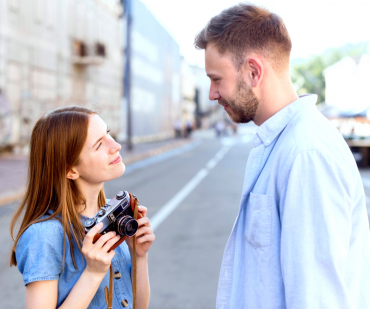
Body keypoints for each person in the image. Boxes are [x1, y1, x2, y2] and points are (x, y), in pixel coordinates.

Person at [194, 4, 370, 309]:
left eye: (216, 79)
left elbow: (316, 299)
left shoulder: (306, 154)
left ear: (253, 71)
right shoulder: (285, 143)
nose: (211, 94)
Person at [9, 106, 155, 309]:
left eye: (108, 134)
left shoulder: (111, 220)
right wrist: (93, 273)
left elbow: (137, 306)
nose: (116, 146)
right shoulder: (45, 235)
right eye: (98, 145)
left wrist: (139, 255)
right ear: (70, 170)